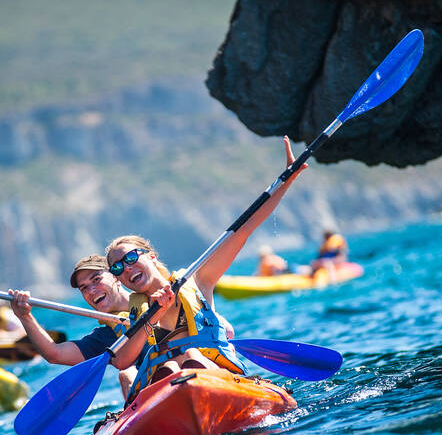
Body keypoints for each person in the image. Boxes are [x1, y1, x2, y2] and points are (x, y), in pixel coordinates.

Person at [107, 136, 308, 402]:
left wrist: (286, 180)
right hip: (166, 389)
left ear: (151, 256)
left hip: (211, 376)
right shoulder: (137, 314)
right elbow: (122, 361)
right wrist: (152, 317)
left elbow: (243, 230)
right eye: (117, 268)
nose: (126, 269)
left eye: (131, 257)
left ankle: (191, 379)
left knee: (191, 357)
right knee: (166, 368)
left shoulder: (199, 279)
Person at [9, 255, 138, 398]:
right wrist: (25, 317)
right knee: (127, 375)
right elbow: (54, 354)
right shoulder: (106, 338)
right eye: (84, 288)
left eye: (96, 280)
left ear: (115, 277)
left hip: (167, 370)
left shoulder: (155, 298)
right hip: (151, 390)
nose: (91, 291)